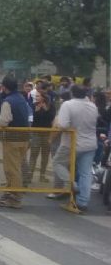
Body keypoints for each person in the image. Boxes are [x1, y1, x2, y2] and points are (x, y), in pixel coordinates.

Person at [52, 85, 98, 213]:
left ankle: (72, 183)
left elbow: (62, 124)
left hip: (71, 143)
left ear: (72, 93)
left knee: (57, 163)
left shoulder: (68, 104)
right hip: (90, 143)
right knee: (85, 173)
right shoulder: (92, 106)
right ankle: (82, 201)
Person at [0, 76, 31, 209]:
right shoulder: (21, 98)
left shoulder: (8, 101)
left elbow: (4, 121)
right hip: (24, 138)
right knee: (15, 167)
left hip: (12, 139)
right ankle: (9, 193)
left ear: (4, 87)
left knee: (12, 169)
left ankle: (15, 198)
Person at [28, 91, 56, 184]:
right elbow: (32, 119)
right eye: (36, 96)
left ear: (43, 97)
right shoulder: (33, 105)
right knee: (33, 155)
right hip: (36, 133)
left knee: (45, 156)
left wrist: (46, 109)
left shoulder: (51, 106)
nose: (36, 97)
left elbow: (52, 118)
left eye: (38, 96)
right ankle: (29, 176)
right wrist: (36, 111)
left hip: (47, 134)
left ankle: (42, 176)